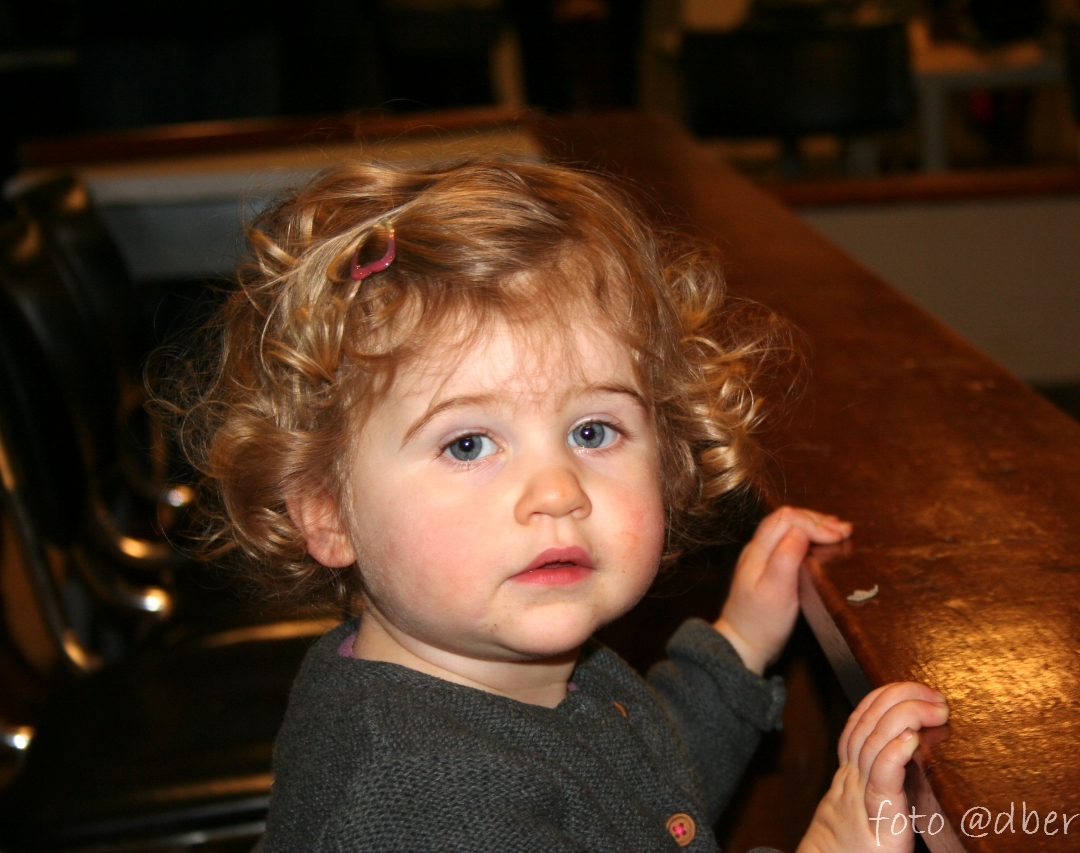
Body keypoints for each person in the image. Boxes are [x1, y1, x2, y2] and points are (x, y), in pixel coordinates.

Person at [173, 159, 949, 852]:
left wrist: (738, 644)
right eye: (468, 444)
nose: (558, 491)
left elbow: (634, 796)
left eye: (592, 430)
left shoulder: (491, 675)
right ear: (327, 512)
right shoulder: (424, 805)